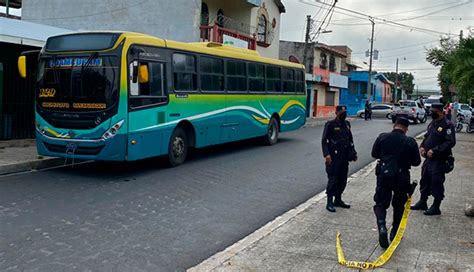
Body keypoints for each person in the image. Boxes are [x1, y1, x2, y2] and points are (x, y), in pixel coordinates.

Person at [371, 117, 421, 248]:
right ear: (406, 128)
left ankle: (382, 227)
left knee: (380, 203)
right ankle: (394, 232)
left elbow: (374, 153)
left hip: (384, 175)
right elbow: (416, 162)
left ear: (395, 125)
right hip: (402, 177)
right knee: (399, 205)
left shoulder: (382, 137)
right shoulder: (410, 142)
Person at [411, 103, 456, 215]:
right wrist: (422, 147)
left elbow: (450, 142)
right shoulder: (433, 123)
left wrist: (435, 150)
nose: (432, 113)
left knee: (436, 182)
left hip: (439, 159)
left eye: (434, 111)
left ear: (441, 112)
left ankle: (436, 206)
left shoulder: (447, 125)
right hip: (428, 159)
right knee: (424, 180)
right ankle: (423, 201)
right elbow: (427, 136)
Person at [322, 105, 358, 212]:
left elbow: (350, 140)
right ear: (336, 113)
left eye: (345, 112)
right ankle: (329, 202)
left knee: (343, 180)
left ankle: (338, 200)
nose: (344, 114)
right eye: (342, 112)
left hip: (344, 156)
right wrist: (326, 154)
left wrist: (353, 152)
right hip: (334, 157)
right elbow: (324, 141)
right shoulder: (330, 124)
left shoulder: (347, 124)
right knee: (333, 179)